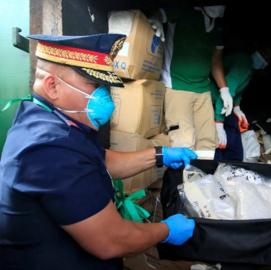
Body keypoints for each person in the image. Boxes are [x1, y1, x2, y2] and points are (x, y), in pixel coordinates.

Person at [0, 34, 197, 270]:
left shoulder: (50, 119)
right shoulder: (50, 147)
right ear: (52, 86)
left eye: (104, 87)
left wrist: (160, 155)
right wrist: (166, 230)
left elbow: (101, 160)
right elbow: (112, 240)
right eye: (95, 86)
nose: (104, 97)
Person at [161, 5, 231, 152]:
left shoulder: (218, 26)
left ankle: (202, 175)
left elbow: (216, 61)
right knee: (183, 142)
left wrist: (224, 90)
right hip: (178, 86)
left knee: (208, 143)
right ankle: (183, 175)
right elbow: (158, 14)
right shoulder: (183, 9)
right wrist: (155, 21)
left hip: (203, 90)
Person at [211, 49, 270, 161]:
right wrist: (218, 123)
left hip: (222, 102)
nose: (266, 62)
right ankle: (223, 166)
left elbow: (238, 88)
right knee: (225, 142)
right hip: (216, 101)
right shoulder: (243, 66)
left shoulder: (247, 66)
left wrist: (237, 107)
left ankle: (227, 165)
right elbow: (225, 92)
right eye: (266, 58)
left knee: (230, 138)